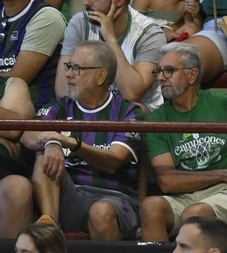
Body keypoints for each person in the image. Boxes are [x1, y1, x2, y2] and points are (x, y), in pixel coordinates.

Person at [140, 43, 227, 242]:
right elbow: (167, 182)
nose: (160, 78)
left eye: (169, 71)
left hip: (225, 193)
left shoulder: (221, 103)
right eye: (158, 71)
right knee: (151, 207)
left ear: (192, 75)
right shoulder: (156, 120)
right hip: (183, 196)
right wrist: (223, 174)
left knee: (195, 215)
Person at [20, 41, 143, 239]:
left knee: (101, 211)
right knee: (45, 154)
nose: (68, 74)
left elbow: (113, 161)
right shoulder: (61, 106)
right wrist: (52, 143)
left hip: (115, 198)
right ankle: (50, 230)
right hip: (69, 196)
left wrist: (70, 143)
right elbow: (27, 134)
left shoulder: (127, 111)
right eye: (69, 67)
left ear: (100, 76)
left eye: (77, 69)